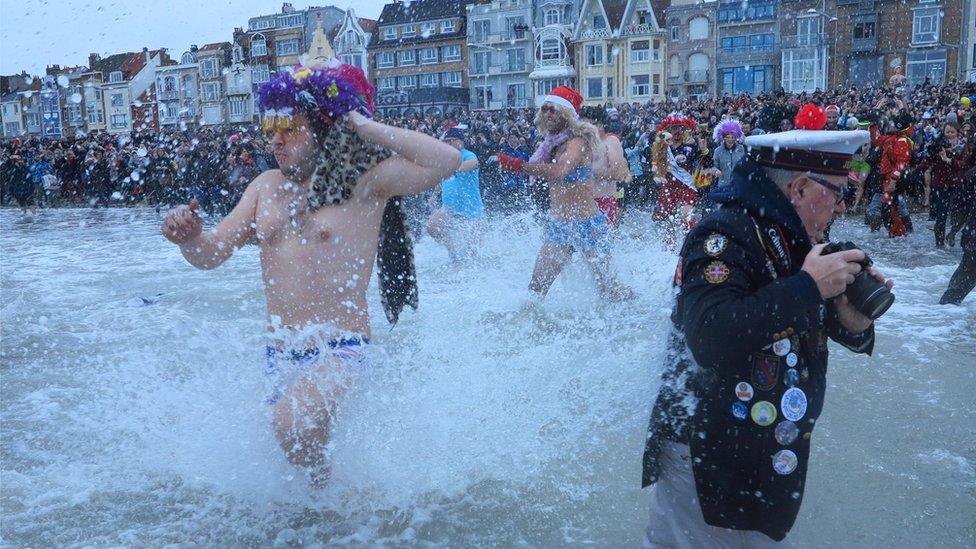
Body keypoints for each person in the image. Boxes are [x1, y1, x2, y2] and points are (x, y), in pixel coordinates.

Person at [161, 61, 460, 484]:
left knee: (290, 424)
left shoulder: (365, 182)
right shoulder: (264, 187)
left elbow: (447, 160)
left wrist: (361, 125)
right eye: (270, 130)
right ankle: (339, 513)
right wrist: (189, 239)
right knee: (301, 449)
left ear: (323, 128)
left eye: (289, 128)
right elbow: (212, 254)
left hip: (342, 347)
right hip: (280, 351)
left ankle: (334, 506)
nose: (276, 141)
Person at [641, 103, 893, 546]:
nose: (840, 206)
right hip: (706, 450)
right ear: (798, 187)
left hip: (756, 448)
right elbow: (710, 336)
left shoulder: (794, 234)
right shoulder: (722, 233)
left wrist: (852, 320)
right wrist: (809, 288)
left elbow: (806, 321)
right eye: (837, 192)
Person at [496, 86, 634, 301]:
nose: (548, 113)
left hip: (587, 224)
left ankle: (638, 313)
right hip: (559, 226)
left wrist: (520, 166)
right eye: (545, 109)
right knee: (536, 287)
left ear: (567, 114)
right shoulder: (549, 145)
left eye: (554, 110)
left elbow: (561, 170)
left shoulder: (577, 142)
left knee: (610, 291)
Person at [425, 127, 485, 262]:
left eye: (451, 141)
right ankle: (453, 252)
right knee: (432, 227)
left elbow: (474, 164)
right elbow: (442, 179)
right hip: (450, 209)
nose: (448, 144)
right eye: (446, 141)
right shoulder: (445, 159)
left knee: (473, 255)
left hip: (472, 212)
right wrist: (434, 196)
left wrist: (454, 169)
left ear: (460, 142)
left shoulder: (467, 155)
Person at [652, 114, 701, 247]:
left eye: (680, 128)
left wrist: (703, 149)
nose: (677, 131)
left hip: (686, 186)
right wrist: (657, 174)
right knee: (668, 221)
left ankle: (690, 245)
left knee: (686, 216)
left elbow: (704, 160)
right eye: (674, 128)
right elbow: (655, 162)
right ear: (668, 129)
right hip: (669, 186)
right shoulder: (663, 147)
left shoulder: (692, 145)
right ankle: (669, 251)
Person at [583, 106, 629, 227]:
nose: (584, 129)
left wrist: (592, 172)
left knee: (600, 244)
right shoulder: (582, 144)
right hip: (582, 202)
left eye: (588, 125)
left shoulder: (611, 141)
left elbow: (618, 174)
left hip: (603, 201)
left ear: (600, 124)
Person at [939, 166, 976, 304]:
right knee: (962, 281)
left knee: (963, 278)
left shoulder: (971, 174)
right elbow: (963, 206)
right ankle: (945, 314)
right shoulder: (972, 175)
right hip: (973, 238)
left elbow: (963, 206)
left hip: (971, 236)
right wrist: (955, 230)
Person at [710, 119, 746, 189]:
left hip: (738, 185)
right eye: (727, 137)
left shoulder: (741, 148)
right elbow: (713, 166)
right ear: (723, 138)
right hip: (723, 185)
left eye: (733, 137)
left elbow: (744, 164)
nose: (730, 139)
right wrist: (716, 171)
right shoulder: (718, 151)